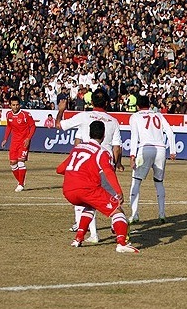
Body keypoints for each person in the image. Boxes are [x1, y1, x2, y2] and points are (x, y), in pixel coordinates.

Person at [56, 121, 139, 253]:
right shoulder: (102, 152)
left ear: (89, 134)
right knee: (117, 210)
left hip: (68, 191)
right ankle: (122, 243)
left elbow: (59, 169)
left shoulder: (77, 148)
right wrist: (118, 192)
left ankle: (78, 239)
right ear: (104, 135)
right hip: (86, 189)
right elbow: (109, 172)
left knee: (90, 206)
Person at [55, 88, 124, 243]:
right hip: (105, 164)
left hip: (86, 165)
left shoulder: (83, 116)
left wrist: (61, 110)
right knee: (114, 199)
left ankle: (92, 234)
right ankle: (118, 228)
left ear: (91, 102)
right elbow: (117, 147)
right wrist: (116, 163)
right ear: (107, 102)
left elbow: (59, 125)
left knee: (86, 201)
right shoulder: (113, 121)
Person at [128, 94, 177, 224]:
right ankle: (161, 214)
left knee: (136, 181)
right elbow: (170, 132)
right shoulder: (158, 115)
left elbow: (134, 136)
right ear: (149, 104)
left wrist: (132, 155)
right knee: (159, 182)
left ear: (137, 106)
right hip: (161, 149)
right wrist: (172, 150)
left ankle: (134, 215)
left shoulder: (135, 116)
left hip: (145, 149)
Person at [1, 95, 36, 192]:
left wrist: (28, 138)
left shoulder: (25, 115)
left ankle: (20, 184)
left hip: (24, 141)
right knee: (12, 163)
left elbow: (33, 127)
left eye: (17, 105)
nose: (15, 107)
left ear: (19, 105)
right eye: (13, 105)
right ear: (10, 105)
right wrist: (5, 139)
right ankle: (21, 181)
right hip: (14, 142)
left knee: (21, 161)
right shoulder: (8, 115)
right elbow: (9, 127)